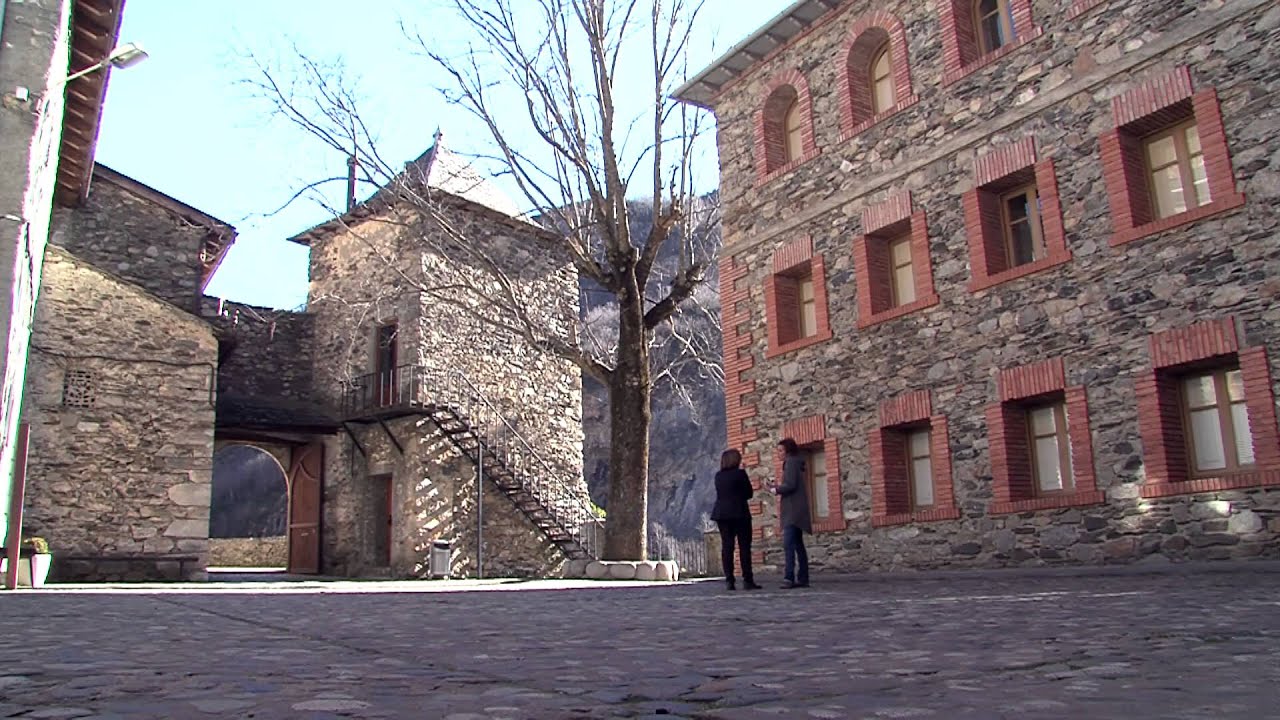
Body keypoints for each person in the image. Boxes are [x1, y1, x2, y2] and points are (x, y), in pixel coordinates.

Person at [710, 449, 760, 591]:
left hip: (722, 514)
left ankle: (729, 580)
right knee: (744, 547)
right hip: (739, 513)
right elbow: (749, 493)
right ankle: (747, 580)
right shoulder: (740, 474)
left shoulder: (718, 476)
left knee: (727, 547)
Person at [771, 438, 810, 589]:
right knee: (798, 544)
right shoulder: (795, 463)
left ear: (788, 450)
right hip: (797, 509)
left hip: (792, 510)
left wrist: (775, 489)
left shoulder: (791, 463)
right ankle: (803, 577)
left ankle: (789, 577)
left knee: (789, 544)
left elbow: (790, 485)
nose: (779, 454)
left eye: (781, 450)